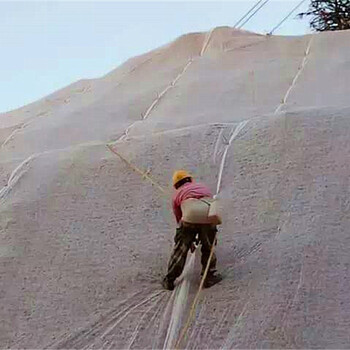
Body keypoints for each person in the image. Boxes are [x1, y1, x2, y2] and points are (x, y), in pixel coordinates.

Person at [162, 170, 222, 290]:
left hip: (190, 214)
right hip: (208, 215)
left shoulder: (177, 195)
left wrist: (187, 238)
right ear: (190, 179)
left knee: (180, 248)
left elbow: (179, 219)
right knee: (208, 246)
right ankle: (208, 276)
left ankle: (169, 279)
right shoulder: (202, 187)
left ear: (176, 185)